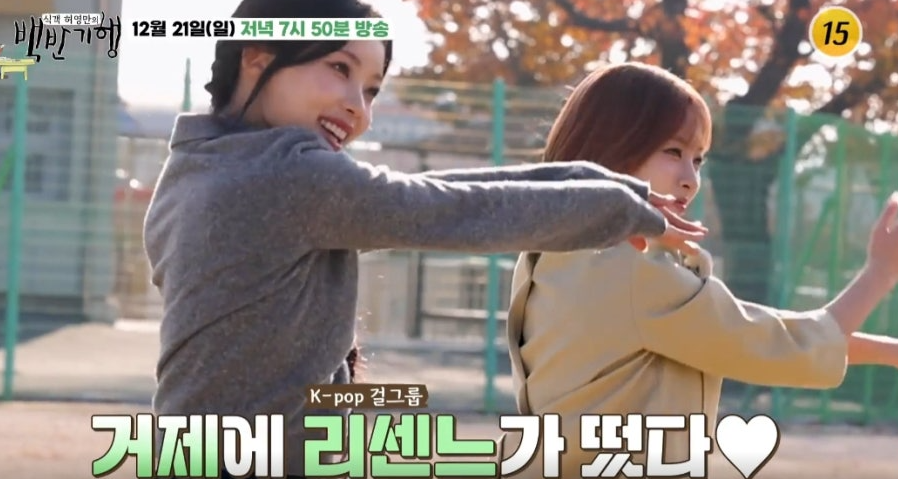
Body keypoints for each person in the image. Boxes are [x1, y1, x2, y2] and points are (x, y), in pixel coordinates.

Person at [142, 1, 707, 477]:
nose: (357, 108)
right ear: (258, 55)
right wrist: (619, 207)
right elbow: (452, 209)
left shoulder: (195, 170)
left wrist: (609, 187)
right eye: (339, 68)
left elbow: (435, 191)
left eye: (371, 90)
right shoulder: (291, 175)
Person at [500, 61, 898, 478]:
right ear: (610, 147)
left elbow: (739, 330)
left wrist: (888, 351)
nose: (691, 179)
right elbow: (774, 344)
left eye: (699, 159)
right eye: (673, 152)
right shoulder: (633, 267)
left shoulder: (551, 252)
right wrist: (881, 272)